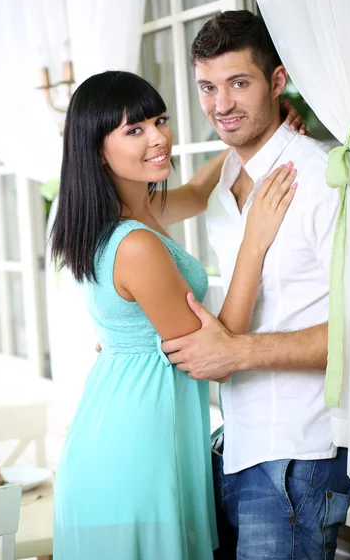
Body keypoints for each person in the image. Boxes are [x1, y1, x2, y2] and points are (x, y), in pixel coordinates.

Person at [50, 70, 299, 560]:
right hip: (135, 451)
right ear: (98, 148)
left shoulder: (123, 214)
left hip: (116, 430)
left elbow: (198, 194)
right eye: (135, 130)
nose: (159, 137)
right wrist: (254, 241)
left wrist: (254, 140)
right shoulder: (136, 243)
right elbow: (217, 356)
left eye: (159, 120)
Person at [162, 11, 350, 560]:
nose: (220, 105)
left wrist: (234, 352)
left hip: (298, 456)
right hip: (235, 446)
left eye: (239, 83)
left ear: (277, 81)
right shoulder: (222, 180)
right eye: (207, 87)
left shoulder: (319, 179)